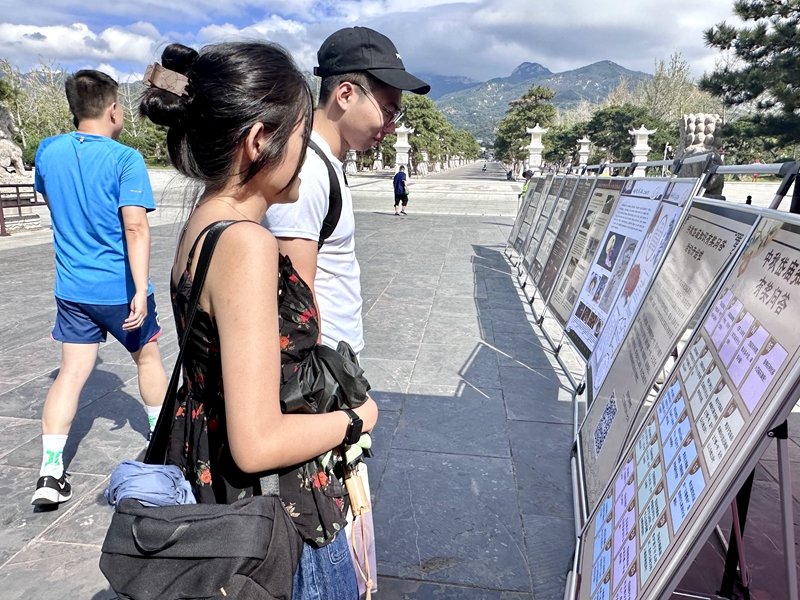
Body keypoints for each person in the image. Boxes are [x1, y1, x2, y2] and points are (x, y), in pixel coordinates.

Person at [140, 41, 378, 600]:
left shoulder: (204, 221)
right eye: (301, 135)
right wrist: (357, 419)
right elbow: (256, 442)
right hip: (276, 514)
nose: (306, 153)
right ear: (258, 140)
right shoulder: (247, 244)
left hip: (211, 473)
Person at [32, 70, 168, 506]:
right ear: (113, 109)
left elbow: (54, 204)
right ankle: (162, 443)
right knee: (147, 359)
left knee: (71, 373)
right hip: (119, 289)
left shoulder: (48, 151)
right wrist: (139, 289)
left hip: (73, 289)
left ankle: (50, 473)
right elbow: (135, 226)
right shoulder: (125, 158)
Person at [263, 26, 429, 355]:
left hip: (336, 354)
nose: (391, 126)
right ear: (345, 95)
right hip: (321, 361)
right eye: (388, 110)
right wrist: (323, 374)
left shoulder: (325, 162)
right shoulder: (307, 170)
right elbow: (296, 302)